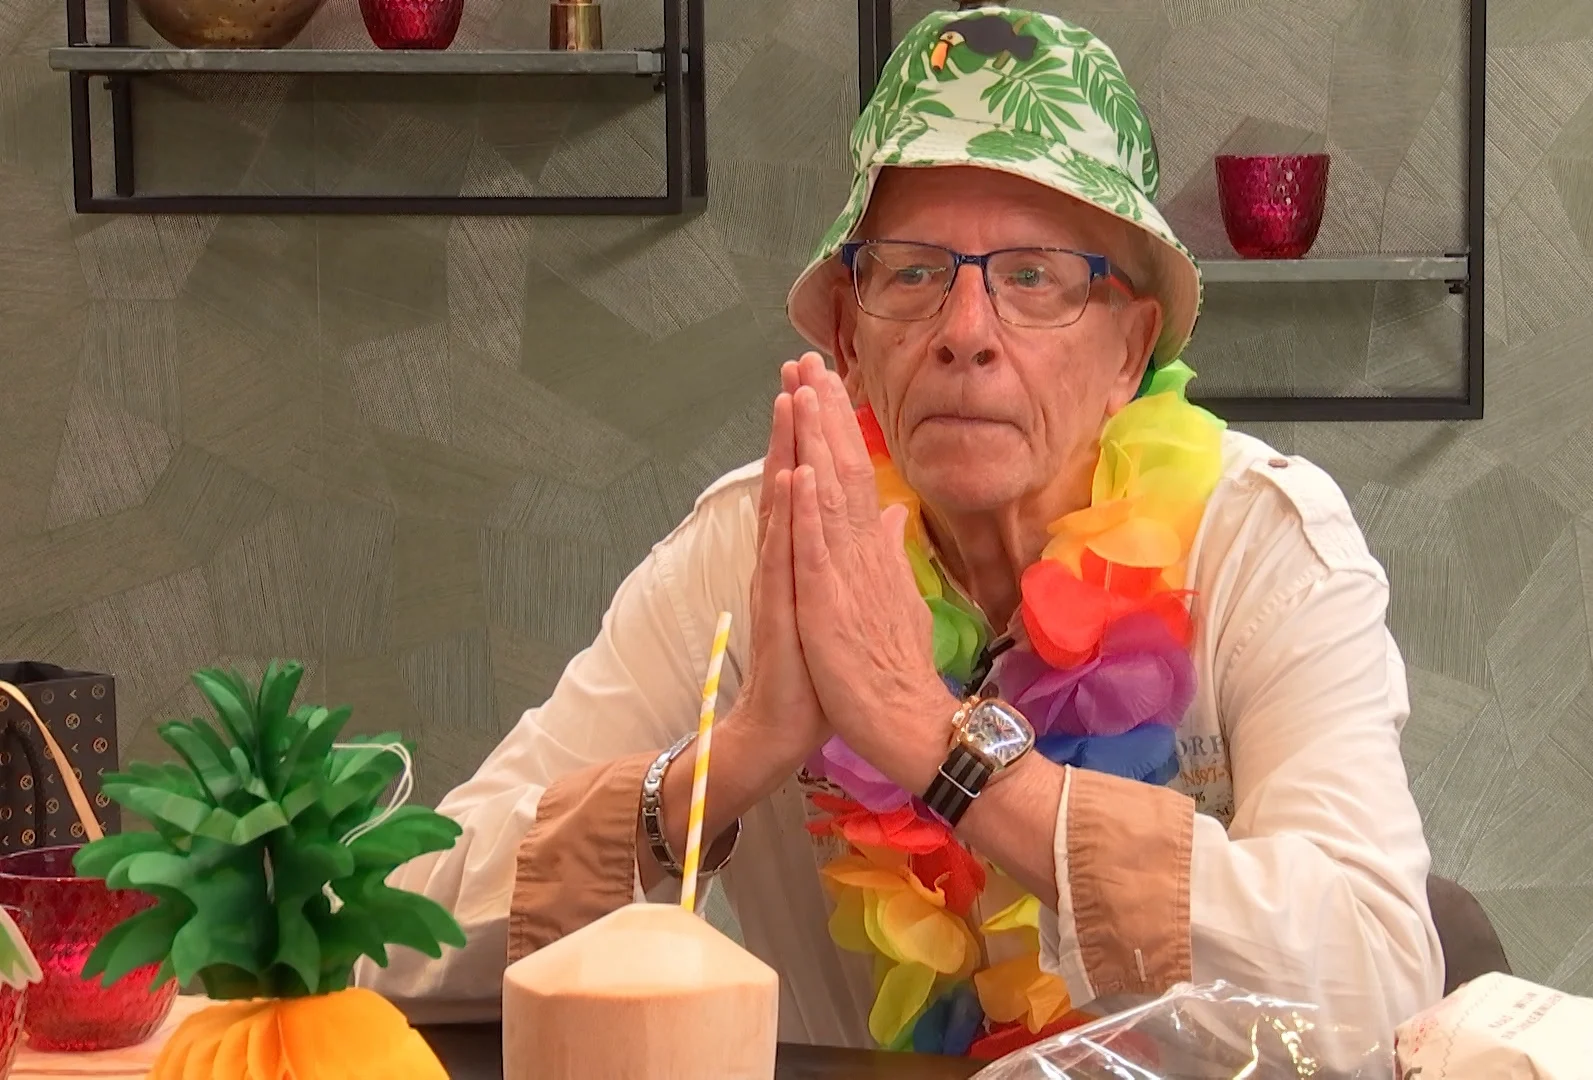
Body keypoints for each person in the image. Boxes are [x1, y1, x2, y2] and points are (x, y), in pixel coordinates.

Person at [359, 5, 1443, 1062]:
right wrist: (728, 762)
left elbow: (1378, 990)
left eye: (1034, 277)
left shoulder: (1261, 546)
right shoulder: (753, 550)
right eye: (914, 273)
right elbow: (380, 940)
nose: (965, 333)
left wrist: (942, 747)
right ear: (847, 337)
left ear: (1130, 349)